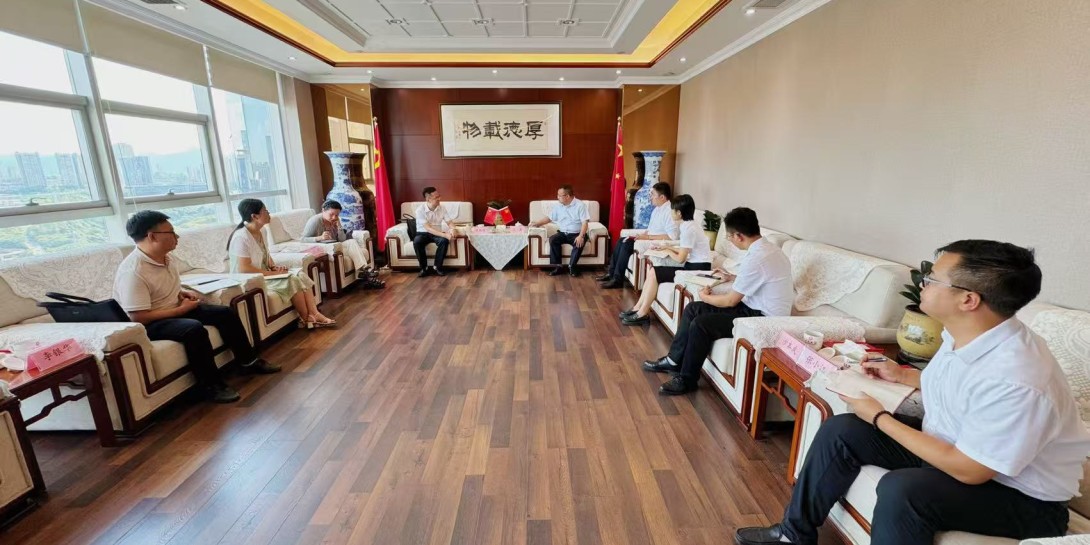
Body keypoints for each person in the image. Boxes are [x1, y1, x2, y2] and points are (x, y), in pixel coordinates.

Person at [736, 240, 1090, 545]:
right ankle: (793, 534)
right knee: (841, 430)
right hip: (955, 449)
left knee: (903, 491)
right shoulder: (967, 331)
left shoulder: (1018, 376)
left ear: (968, 299)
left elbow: (969, 470)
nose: (923, 283)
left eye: (932, 279)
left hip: (1020, 497)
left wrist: (879, 417)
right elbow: (964, 386)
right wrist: (903, 374)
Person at [113, 210, 279, 404]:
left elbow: (161, 289)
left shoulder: (166, 258)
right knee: (193, 329)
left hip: (172, 309)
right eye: (171, 232)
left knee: (225, 313)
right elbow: (138, 317)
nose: (177, 236)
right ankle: (210, 386)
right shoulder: (133, 271)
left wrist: (181, 294)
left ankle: (248, 361)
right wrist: (180, 310)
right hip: (150, 323)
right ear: (152, 236)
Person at [642, 207, 793, 395]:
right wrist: (733, 277)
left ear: (738, 236)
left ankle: (687, 380)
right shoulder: (769, 249)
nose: (730, 240)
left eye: (729, 237)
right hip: (753, 307)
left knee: (701, 324)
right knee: (693, 308)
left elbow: (730, 301)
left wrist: (706, 297)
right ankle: (673, 361)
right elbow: (760, 278)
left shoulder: (757, 257)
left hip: (761, 319)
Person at [228, 198, 335, 328]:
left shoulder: (262, 231)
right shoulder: (241, 237)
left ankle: (314, 314)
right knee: (292, 279)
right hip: (251, 279)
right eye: (265, 211)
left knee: (300, 274)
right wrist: (272, 274)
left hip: (265, 273)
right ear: (255, 216)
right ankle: (306, 318)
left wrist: (274, 267)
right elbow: (244, 269)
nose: (269, 213)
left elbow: (265, 254)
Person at [620, 194, 710, 325]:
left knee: (654, 272)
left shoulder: (688, 229)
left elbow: (680, 259)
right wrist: (667, 247)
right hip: (695, 265)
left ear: (679, 213)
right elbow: (685, 250)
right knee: (653, 271)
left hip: (696, 269)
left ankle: (642, 313)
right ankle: (638, 308)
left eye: (672, 210)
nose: (671, 212)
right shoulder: (690, 225)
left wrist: (668, 251)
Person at [598, 182, 678, 289]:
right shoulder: (657, 209)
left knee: (626, 244)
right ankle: (611, 273)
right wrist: (642, 235)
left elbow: (671, 237)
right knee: (622, 240)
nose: (650, 197)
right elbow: (651, 229)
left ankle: (617, 279)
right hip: (648, 239)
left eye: (653, 194)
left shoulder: (670, 212)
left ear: (662, 197)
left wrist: (647, 237)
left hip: (658, 243)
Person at [301, 200, 372, 281]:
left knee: (351, 242)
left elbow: (342, 239)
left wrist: (339, 227)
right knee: (350, 243)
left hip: (336, 247)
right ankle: (364, 271)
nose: (334, 217)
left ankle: (362, 270)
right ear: (323, 210)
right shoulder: (315, 221)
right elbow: (303, 239)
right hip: (326, 250)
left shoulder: (335, 220)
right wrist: (319, 238)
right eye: (331, 214)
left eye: (337, 215)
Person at [530, 185, 590, 277]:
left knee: (578, 242)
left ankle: (572, 267)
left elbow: (585, 222)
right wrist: (537, 223)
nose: (557, 197)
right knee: (553, 239)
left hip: (577, 233)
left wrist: (581, 236)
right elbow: (549, 218)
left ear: (567, 196)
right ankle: (558, 267)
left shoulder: (580, 205)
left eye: (559, 195)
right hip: (563, 233)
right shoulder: (558, 206)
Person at [413, 187, 456, 277]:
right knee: (417, 241)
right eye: (436, 197)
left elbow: (450, 222)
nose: (439, 199)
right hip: (423, 233)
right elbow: (428, 228)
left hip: (436, 233)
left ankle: (437, 267)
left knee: (444, 241)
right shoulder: (420, 210)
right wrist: (445, 235)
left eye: (439, 196)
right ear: (428, 199)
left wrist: (452, 229)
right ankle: (423, 268)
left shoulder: (442, 208)